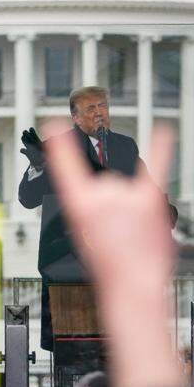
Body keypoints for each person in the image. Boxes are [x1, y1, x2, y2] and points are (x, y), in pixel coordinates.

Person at [17, 86, 150, 353]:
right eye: (91, 109)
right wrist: (39, 166)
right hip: (68, 265)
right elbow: (28, 199)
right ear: (75, 117)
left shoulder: (125, 147)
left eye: (103, 107)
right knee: (71, 354)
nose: (100, 113)